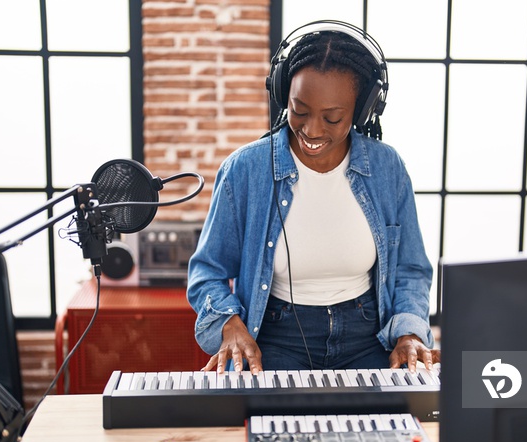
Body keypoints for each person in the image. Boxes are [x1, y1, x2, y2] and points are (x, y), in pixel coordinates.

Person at [187, 21, 439, 375]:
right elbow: (207, 272)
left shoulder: (387, 167)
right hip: (274, 337)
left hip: (368, 338)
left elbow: (411, 270)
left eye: (333, 118)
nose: (312, 130)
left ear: (363, 109)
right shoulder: (245, 169)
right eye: (299, 110)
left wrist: (409, 332)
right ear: (281, 94)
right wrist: (229, 325)